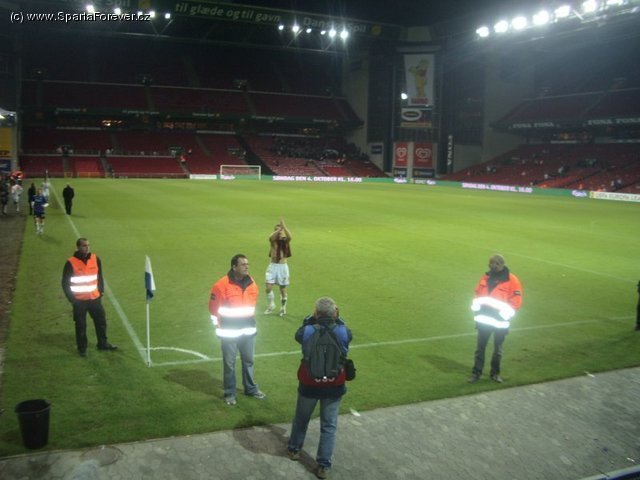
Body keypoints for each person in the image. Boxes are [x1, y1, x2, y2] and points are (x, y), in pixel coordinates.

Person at [287, 297, 352, 479]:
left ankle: (294, 449)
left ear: (316, 313)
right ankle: (323, 465)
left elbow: (299, 334)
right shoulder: (343, 331)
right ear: (335, 313)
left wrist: (310, 319)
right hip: (334, 385)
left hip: (309, 384)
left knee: (301, 419)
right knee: (329, 425)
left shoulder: (307, 331)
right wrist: (338, 318)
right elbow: (347, 333)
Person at [209, 254, 266, 406]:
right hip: (229, 332)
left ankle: (251, 389)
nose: (246, 267)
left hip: (248, 330)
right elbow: (213, 309)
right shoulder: (221, 285)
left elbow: (252, 305)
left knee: (249, 361)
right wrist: (217, 327)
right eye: (243, 264)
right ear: (234, 267)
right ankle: (230, 393)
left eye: (247, 264)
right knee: (229, 364)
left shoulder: (252, 283)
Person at [468, 254, 523, 384]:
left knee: (497, 350)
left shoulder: (512, 280)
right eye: (491, 263)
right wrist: (476, 307)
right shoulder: (485, 277)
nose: (493, 266)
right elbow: (477, 293)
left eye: (496, 263)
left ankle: (495, 374)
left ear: (502, 264)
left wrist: (505, 314)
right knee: (480, 348)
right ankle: (476, 373)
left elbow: (516, 300)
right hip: (484, 320)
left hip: (500, 322)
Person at [61, 238, 118, 357]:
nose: (87, 248)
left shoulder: (95, 259)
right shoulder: (70, 262)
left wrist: (100, 292)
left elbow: (99, 277)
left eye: (88, 245)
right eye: (84, 246)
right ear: (78, 247)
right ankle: (82, 348)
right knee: (81, 325)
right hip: (79, 301)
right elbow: (65, 283)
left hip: (95, 299)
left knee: (101, 322)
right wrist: (72, 300)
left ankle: (102, 344)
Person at [264, 218, 292, 316]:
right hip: (273, 266)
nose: (279, 232)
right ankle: (271, 305)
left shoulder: (286, 241)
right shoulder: (273, 241)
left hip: (282, 267)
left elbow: (290, 236)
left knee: (282, 289)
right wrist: (279, 230)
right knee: (268, 288)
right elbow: (271, 237)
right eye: (276, 230)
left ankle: (283, 308)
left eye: (280, 230)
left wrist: (284, 227)